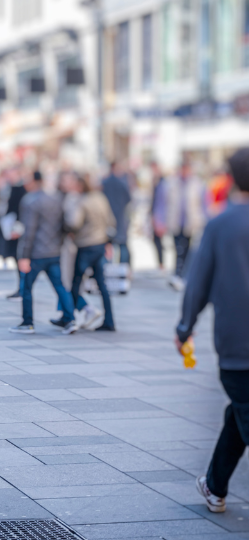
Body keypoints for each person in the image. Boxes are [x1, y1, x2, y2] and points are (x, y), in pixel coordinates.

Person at [176, 148, 249, 515]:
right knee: (241, 413)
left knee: (242, 409)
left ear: (232, 179)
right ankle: (215, 485)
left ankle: (215, 486)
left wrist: (185, 327)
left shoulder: (221, 224)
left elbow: (198, 283)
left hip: (238, 347)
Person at [10, 171, 77, 335]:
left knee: (26, 287)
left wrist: (24, 256)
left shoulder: (30, 201)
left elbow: (29, 231)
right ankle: (70, 319)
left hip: (36, 254)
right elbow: (64, 225)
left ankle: (28, 322)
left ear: (34, 181)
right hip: (53, 251)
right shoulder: (56, 199)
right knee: (60, 286)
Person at [61, 174, 117, 332]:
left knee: (75, 282)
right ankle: (110, 320)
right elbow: (111, 221)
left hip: (85, 245)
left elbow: (74, 223)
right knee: (102, 285)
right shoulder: (101, 198)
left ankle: (68, 317)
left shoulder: (83, 201)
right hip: (100, 243)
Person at [155, 160, 207, 282]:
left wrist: (204, 220)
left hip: (191, 221)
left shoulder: (198, 184)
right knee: (177, 247)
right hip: (175, 220)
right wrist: (159, 220)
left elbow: (203, 204)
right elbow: (162, 204)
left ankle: (185, 272)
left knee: (188, 247)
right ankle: (178, 272)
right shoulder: (170, 184)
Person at [0, 169, 27, 298]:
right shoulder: (9, 189)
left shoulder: (21, 190)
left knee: (21, 259)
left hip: (18, 230)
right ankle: (22, 289)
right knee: (17, 259)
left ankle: (23, 289)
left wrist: (18, 228)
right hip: (11, 228)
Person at [102, 162, 132, 270]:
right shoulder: (121, 183)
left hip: (108, 218)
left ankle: (107, 269)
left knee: (108, 246)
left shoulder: (104, 182)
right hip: (119, 217)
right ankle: (122, 269)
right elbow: (129, 199)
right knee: (122, 245)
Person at [149, 163, 166, 275]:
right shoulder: (156, 182)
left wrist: (158, 218)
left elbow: (162, 203)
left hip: (160, 216)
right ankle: (160, 263)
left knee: (159, 240)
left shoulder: (162, 183)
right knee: (156, 240)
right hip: (156, 215)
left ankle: (161, 264)